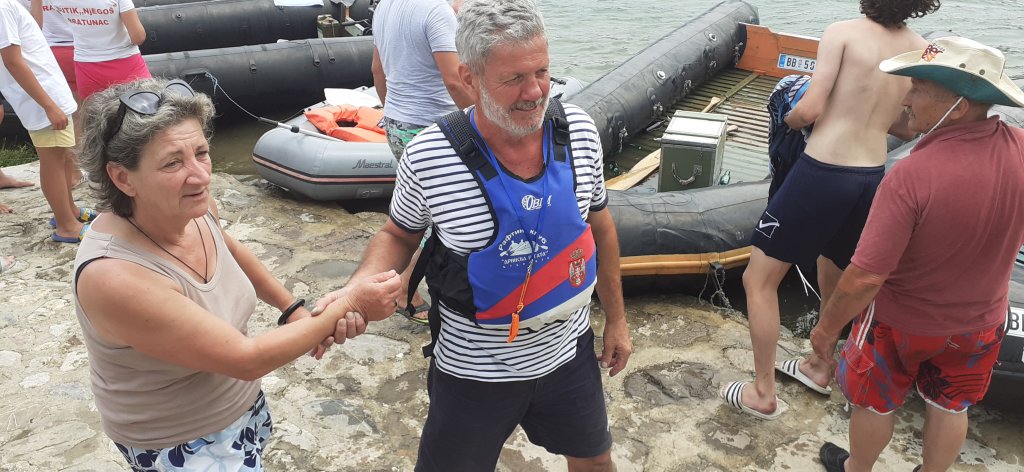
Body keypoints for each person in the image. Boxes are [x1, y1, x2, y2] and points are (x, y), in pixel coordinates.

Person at [315, 0, 632, 469]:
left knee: (596, 463)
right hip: (474, 371)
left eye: (542, 71)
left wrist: (618, 320)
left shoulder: (579, 132)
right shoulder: (431, 155)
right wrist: (354, 291)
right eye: (514, 78)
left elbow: (599, 227)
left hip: (568, 354)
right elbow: (399, 234)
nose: (535, 92)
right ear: (469, 78)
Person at [72, 77, 402, 469]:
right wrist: (349, 304)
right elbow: (247, 359)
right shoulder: (114, 276)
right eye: (172, 163)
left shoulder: (190, 206)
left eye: (201, 153)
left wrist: (292, 308)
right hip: (179, 440)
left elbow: (228, 248)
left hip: (239, 406)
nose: (200, 176)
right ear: (122, 177)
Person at [810, 36, 1024, 472]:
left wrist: (826, 330)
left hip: (900, 324)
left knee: (873, 401)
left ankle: (857, 468)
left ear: (959, 106)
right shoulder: (1019, 147)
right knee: (951, 405)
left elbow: (865, 277)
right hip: (980, 323)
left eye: (919, 89)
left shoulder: (911, 175)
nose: (906, 99)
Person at [722, 0, 938, 419]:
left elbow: (810, 109)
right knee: (833, 267)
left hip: (824, 171)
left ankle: (762, 392)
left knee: (758, 279)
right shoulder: (919, 48)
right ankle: (819, 366)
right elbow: (906, 127)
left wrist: (788, 118)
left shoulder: (842, 32)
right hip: (870, 176)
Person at [370, 0, 473, 324]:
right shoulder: (436, 12)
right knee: (442, 216)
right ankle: (404, 289)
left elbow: (377, 70)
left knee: (416, 213)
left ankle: (400, 284)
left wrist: (394, 112)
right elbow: (455, 80)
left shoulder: (386, 6)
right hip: (431, 127)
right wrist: (486, 124)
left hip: (397, 124)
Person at [0, 0, 91, 242]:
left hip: (50, 91)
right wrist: (48, 105)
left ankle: (69, 211)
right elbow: (12, 60)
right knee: (53, 160)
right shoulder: (3, 8)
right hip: (42, 98)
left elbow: (32, 34)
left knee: (62, 157)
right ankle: (66, 225)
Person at [48, 0, 149, 100]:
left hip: (87, 67)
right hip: (126, 62)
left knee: (91, 110)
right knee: (145, 106)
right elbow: (138, 37)